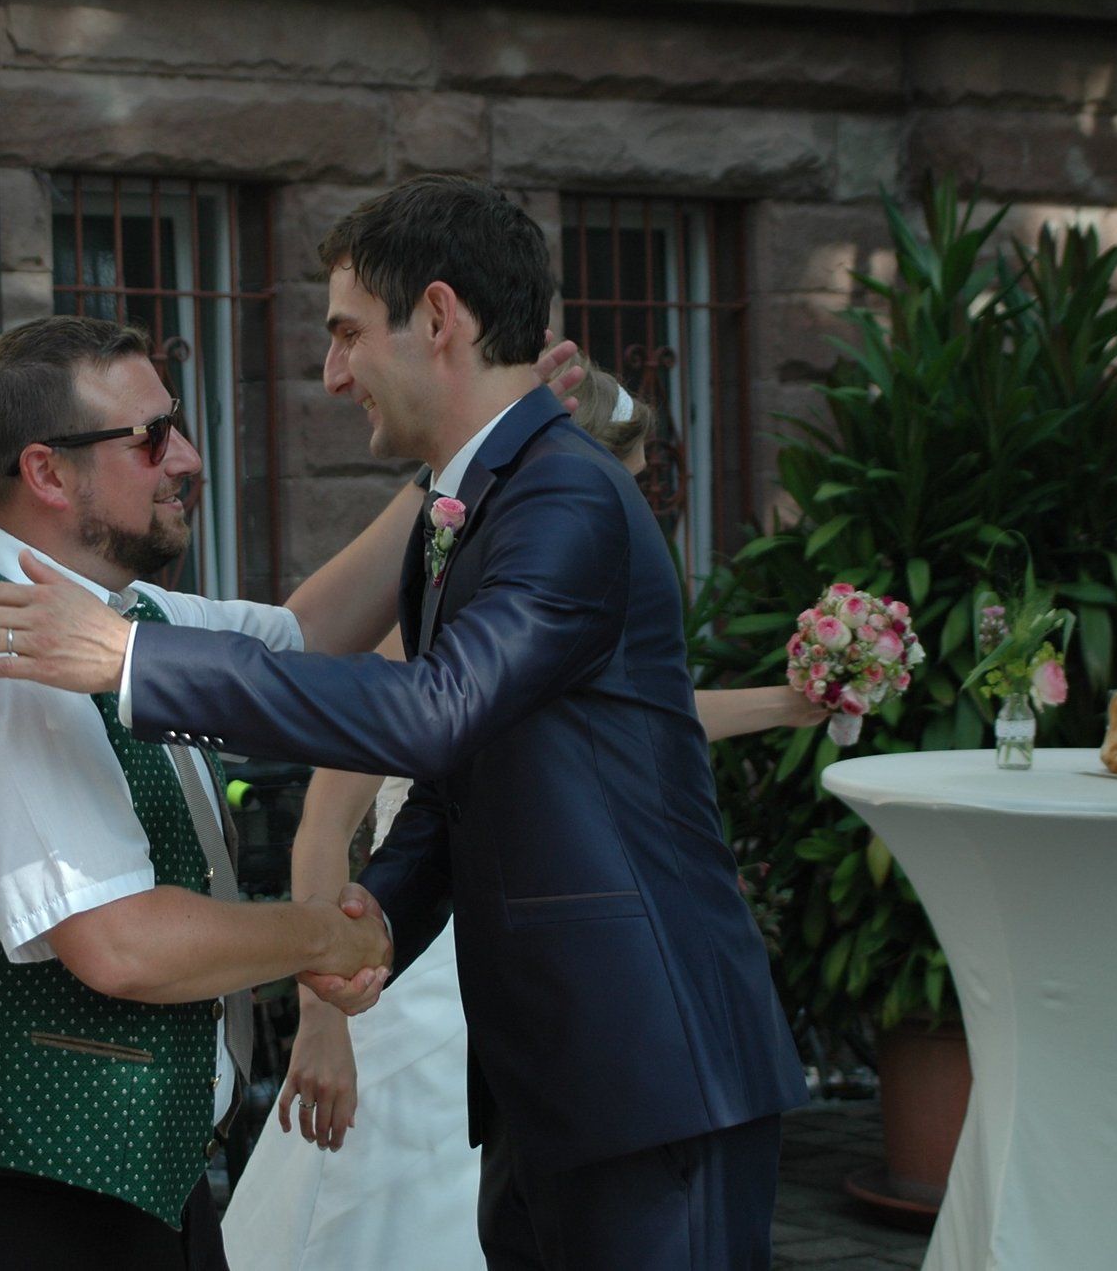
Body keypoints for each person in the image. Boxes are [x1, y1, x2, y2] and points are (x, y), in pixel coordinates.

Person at [0, 177, 812, 1268]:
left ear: (437, 317)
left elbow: (437, 713)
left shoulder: (566, 496)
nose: (331, 371)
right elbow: (458, 779)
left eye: (348, 332)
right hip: (557, 1075)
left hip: (649, 1064)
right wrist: (383, 915)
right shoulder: (472, 504)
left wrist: (131, 659)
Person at [220, 362, 826, 1270]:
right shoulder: (449, 624)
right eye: (617, 478)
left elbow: (636, 717)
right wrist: (323, 1008)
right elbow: (329, 820)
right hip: (443, 985)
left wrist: (786, 703)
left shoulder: (559, 601)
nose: (627, 509)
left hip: (548, 1003)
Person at [0, 315, 392, 1270]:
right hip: (14, 1201)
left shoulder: (126, 617)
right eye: (150, 437)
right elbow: (121, 942)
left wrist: (462, 465)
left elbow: (305, 639)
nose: (186, 458)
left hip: (121, 1187)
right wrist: (324, 935)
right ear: (48, 473)